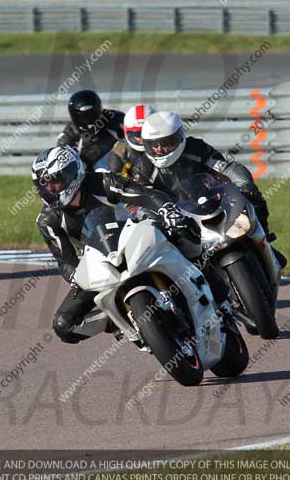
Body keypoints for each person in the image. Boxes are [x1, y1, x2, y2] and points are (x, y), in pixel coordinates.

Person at [33, 145, 200, 344]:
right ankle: (119, 318)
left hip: (136, 237)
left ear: (72, 173)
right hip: (100, 262)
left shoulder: (103, 182)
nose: (50, 189)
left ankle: (216, 291)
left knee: (184, 231)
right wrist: (76, 277)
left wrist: (167, 210)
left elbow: (144, 195)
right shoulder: (47, 221)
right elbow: (65, 260)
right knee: (64, 325)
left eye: (56, 181)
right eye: (44, 185)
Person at [140, 110, 287, 268]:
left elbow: (226, 167)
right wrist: (150, 215)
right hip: (176, 217)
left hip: (209, 200)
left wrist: (243, 184)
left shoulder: (196, 148)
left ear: (178, 138)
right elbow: (139, 198)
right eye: (154, 145)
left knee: (251, 195)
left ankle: (263, 240)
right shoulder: (143, 167)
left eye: (166, 142)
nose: (160, 149)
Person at [56, 90, 124, 170]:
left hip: (121, 171)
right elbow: (64, 167)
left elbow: (133, 139)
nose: (89, 119)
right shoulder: (68, 136)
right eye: (84, 116)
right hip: (91, 176)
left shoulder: (114, 118)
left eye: (92, 114)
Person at [107, 104, 157, 183]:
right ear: (126, 131)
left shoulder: (164, 145)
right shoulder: (119, 151)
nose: (142, 139)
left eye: (146, 133)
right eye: (137, 134)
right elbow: (116, 182)